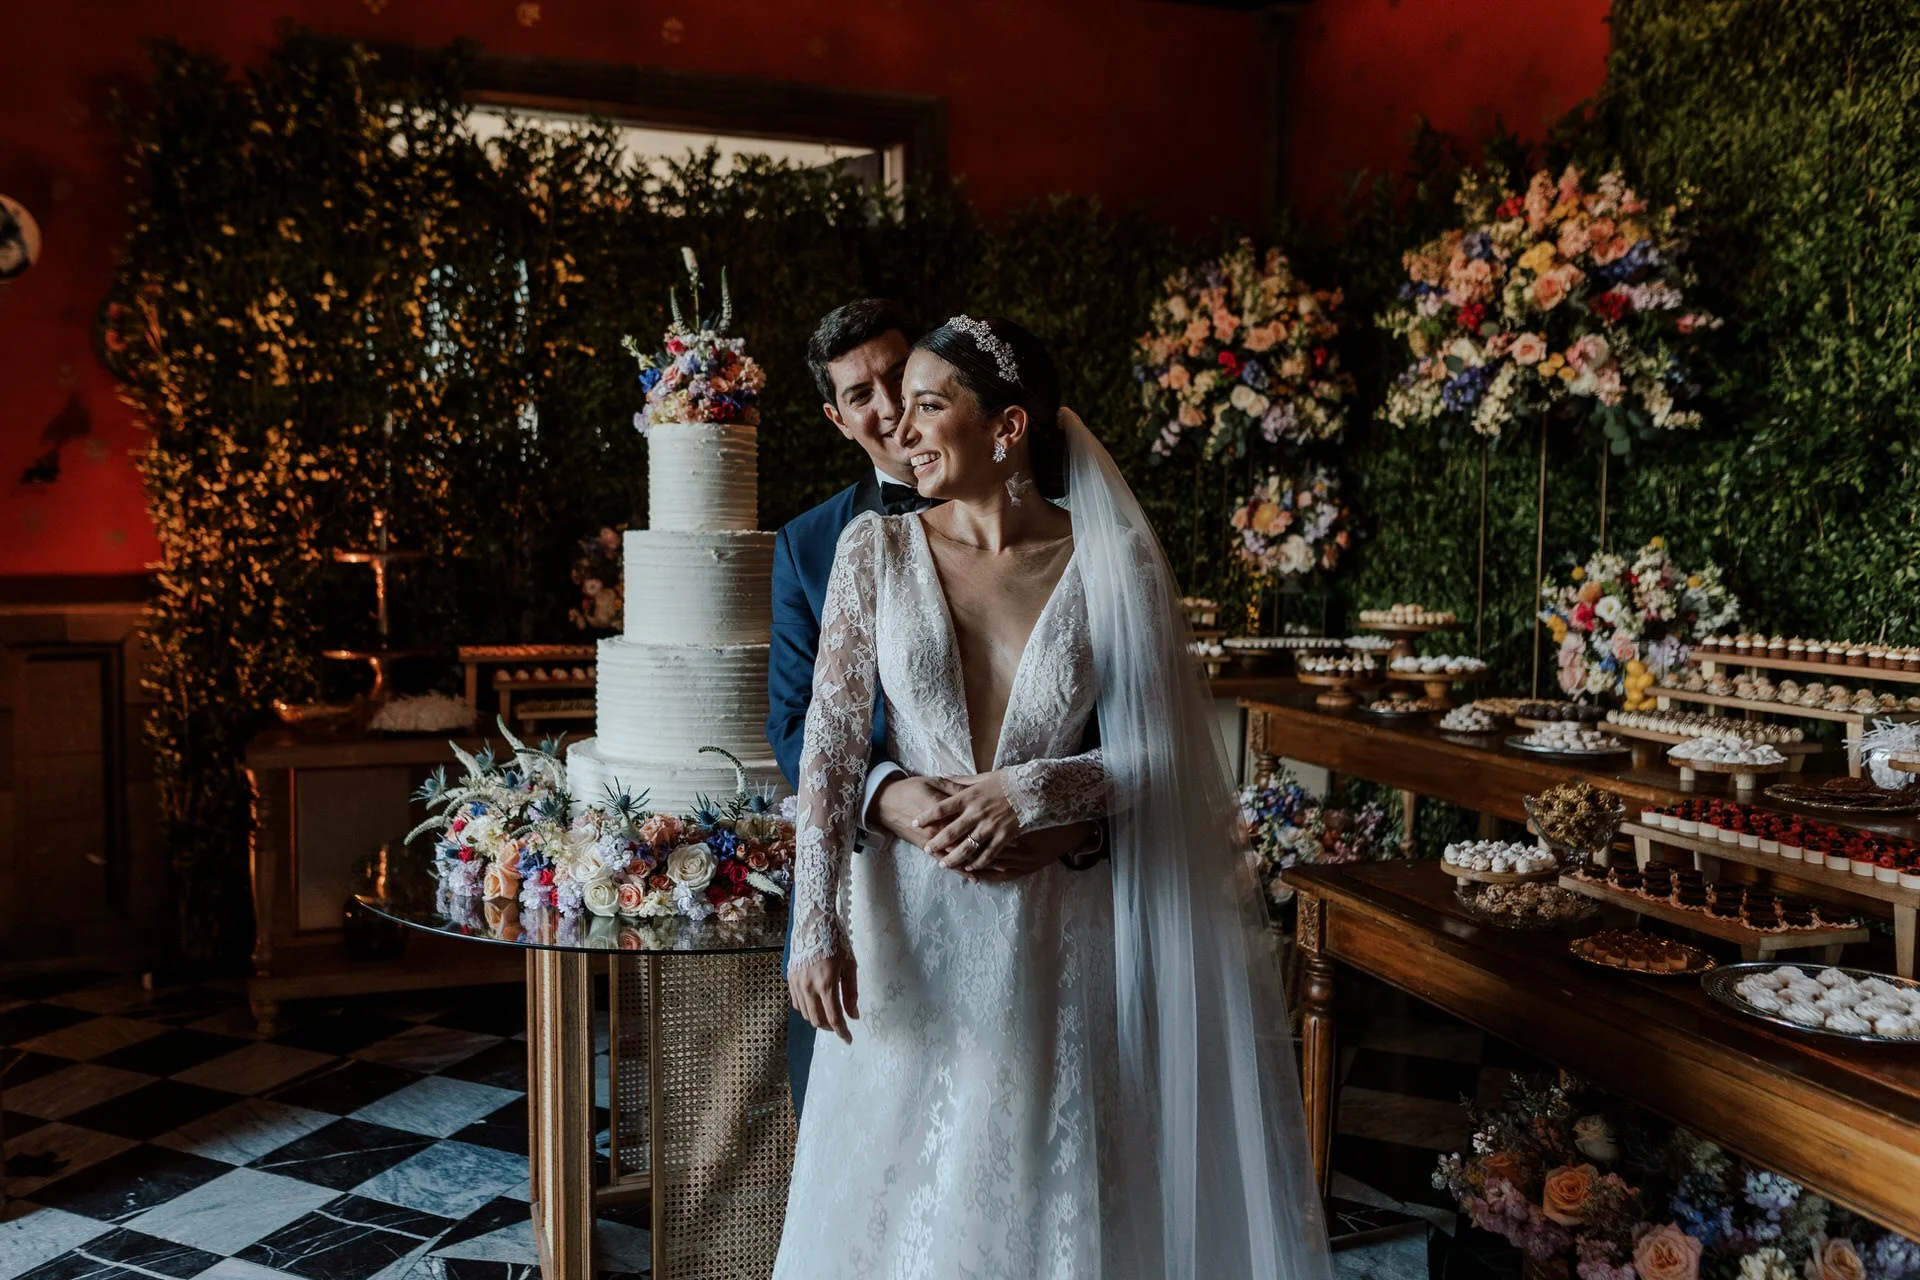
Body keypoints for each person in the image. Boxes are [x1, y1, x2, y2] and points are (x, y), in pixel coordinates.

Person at [773, 315, 1331, 1278]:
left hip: (1055, 929)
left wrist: (1031, 790)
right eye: (895, 408)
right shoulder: (872, 551)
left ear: (1007, 427)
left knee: (1045, 1186)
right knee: (893, 1202)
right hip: (905, 931)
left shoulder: (1114, 563)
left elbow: (1163, 757)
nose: (902, 429)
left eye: (927, 406)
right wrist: (814, 926)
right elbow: (826, 749)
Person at [767, 300, 1102, 1115]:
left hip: (1055, 892)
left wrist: (1055, 808)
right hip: (893, 894)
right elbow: (806, 730)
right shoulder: (825, 543)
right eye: (863, 396)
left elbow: (1153, 742)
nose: (892, 412)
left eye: (907, 386)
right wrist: (887, 796)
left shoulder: (1101, 551)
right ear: (837, 418)